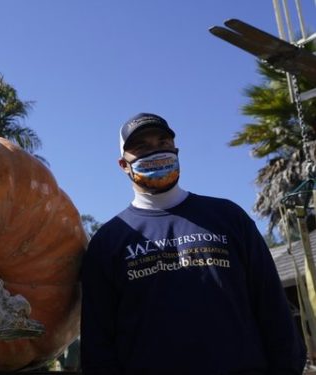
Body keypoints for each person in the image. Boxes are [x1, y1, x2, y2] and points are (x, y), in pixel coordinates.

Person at [80, 113, 306, 375]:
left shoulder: (228, 217)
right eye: (142, 147)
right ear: (123, 164)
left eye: (163, 142)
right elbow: (97, 341)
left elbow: (272, 306)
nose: (156, 151)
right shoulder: (109, 240)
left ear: (176, 150)